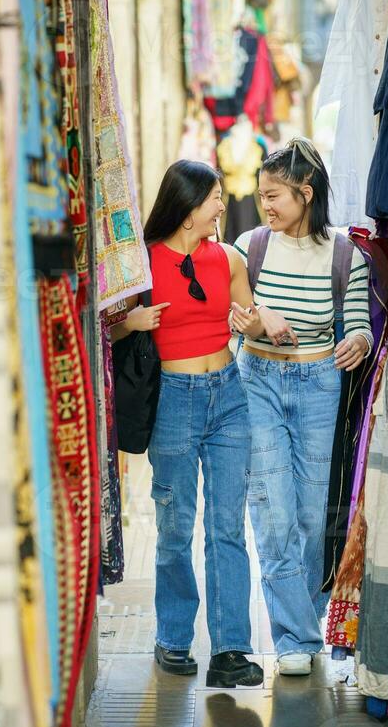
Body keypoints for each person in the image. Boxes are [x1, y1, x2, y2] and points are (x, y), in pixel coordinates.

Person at [112, 159, 266, 688]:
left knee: (227, 528)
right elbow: (103, 327)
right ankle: (174, 637)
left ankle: (230, 649)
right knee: (175, 527)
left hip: (229, 397)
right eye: (216, 197)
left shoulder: (228, 259)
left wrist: (260, 323)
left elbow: (256, 316)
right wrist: (128, 322)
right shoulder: (143, 264)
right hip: (173, 401)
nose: (223, 205)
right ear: (188, 208)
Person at [232, 139, 372, 676]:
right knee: (273, 513)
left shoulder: (345, 255)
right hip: (258, 380)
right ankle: (296, 638)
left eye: (274, 194)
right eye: (262, 194)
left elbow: (356, 322)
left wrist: (357, 341)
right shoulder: (251, 246)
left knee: (313, 516)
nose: (264, 203)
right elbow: (234, 305)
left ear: (305, 193)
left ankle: (306, 621)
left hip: (319, 384)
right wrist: (255, 316)